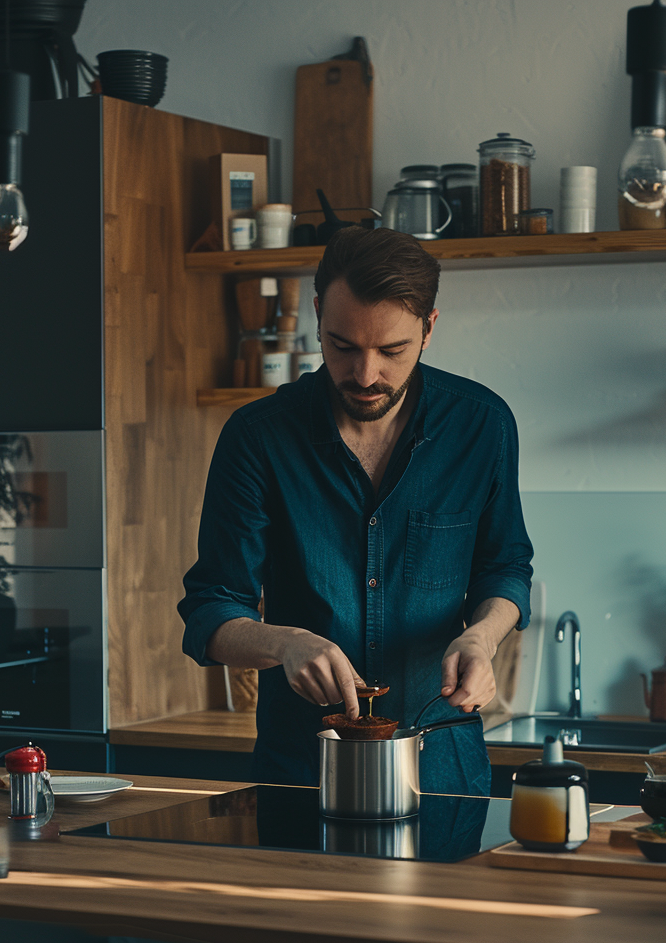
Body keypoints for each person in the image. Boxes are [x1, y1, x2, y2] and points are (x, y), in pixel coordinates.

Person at [178, 226, 533, 795]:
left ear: (429, 329)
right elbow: (211, 611)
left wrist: (482, 638)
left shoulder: (481, 425)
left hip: (444, 765)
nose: (365, 375)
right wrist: (286, 643)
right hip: (302, 771)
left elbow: (506, 568)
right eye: (343, 346)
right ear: (318, 315)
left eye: (392, 351)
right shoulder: (257, 437)